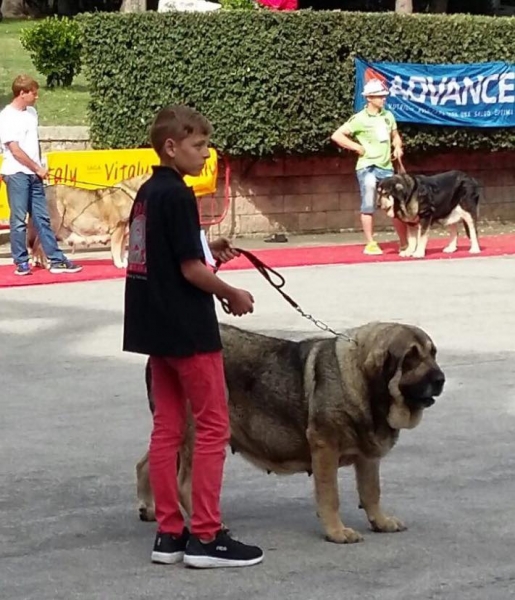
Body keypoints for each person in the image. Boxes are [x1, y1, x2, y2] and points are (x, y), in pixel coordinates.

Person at [123, 104, 264, 569]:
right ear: (171, 146)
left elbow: (171, 259)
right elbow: (188, 269)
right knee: (212, 428)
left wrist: (210, 254)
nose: (206, 154)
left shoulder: (146, 194)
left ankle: (170, 533)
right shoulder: (180, 195)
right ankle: (205, 535)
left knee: (166, 429)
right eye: (199, 145)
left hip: (152, 326)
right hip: (188, 329)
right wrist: (230, 291)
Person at [0, 75, 82, 275]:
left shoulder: (32, 113)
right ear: (22, 93)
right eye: (33, 93)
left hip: (35, 174)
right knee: (19, 220)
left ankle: (55, 259)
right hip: (17, 173)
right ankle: (21, 262)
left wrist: (40, 165)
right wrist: (37, 168)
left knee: (42, 218)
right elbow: (15, 149)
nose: (36, 97)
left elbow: (33, 143)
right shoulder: (6, 117)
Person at [331, 78, 408, 256]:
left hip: (386, 166)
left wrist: (397, 146)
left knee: (395, 204)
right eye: (380, 96)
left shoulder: (388, 116)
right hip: (367, 167)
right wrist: (357, 147)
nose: (383, 99)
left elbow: (395, 136)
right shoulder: (359, 119)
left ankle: (404, 242)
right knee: (368, 203)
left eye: (384, 96)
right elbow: (337, 135)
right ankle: (371, 243)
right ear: (370, 98)